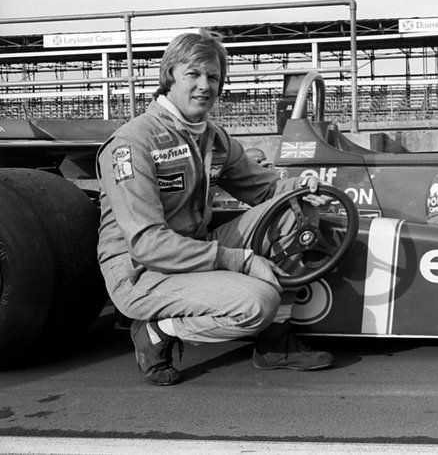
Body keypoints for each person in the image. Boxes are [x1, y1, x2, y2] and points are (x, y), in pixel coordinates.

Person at [96, 30, 332, 386]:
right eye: (193, 74)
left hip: (194, 249)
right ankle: (158, 330)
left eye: (213, 77)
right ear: (169, 76)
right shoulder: (132, 144)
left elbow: (265, 189)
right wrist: (238, 260)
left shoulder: (212, 137)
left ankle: (273, 343)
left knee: (294, 212)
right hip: (142, 271)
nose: (204, 85)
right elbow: (148, 245)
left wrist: (301, 188)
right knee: (259, 302)